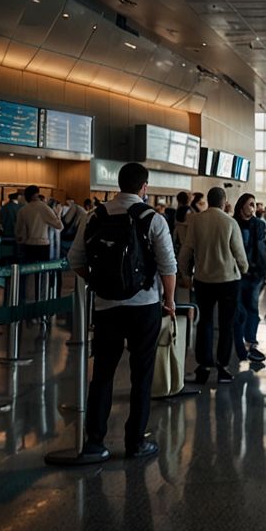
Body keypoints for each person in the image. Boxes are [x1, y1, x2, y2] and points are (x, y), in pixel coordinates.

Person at [68, 162, 177, 460]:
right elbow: (168, 266)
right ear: (144, 187)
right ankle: (135, 442)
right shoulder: (153, 219)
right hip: (144, 305)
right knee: (141, 374)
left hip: (107, 307)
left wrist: (97, 282)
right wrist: (169, 300)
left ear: (118, 184)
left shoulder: (95, 215)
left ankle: (95, 442)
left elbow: (74, 258)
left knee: (102, 373)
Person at [179, 186, 248, 385]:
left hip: (203, 280)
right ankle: (223, 366)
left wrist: (184, 272)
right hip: (228, 281)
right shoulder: (230, 222)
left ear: (208, 200)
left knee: (205, 323)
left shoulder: (196, 221)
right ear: (224, 201)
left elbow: (186, 250)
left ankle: (204, 366)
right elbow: (239, 253)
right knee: (226, 325)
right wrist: (243, 268)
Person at [233, 193, 266, 365]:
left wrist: (264, 271)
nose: (253, 207)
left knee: (252, 307)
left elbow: (261, 249)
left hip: (254, 274)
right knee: (239, 310)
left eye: (254, 204)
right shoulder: (232, 224)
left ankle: (251, 340)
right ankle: (239, 344)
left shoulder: (259, 225)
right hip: (236, 274)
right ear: (241, 206)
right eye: (250, 204)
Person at [15, 185, 63, 265]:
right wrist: (58, 214)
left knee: (29, 270)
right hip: (43, 245)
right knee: (43, 272)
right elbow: (59, 226)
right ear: (37, 194)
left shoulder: (22, 210)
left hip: (29, 245)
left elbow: (19, 233)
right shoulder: (44, 208)